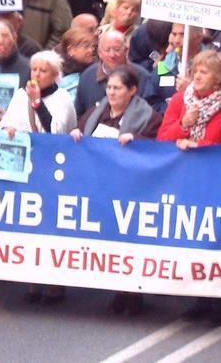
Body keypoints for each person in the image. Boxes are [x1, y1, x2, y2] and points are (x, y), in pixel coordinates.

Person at [156, 49, 221, 323]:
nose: (197, 76)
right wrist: (183, 125)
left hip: (213, 184)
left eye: (204, 72)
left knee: (213, 243)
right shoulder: (181, 100)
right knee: (191, 242)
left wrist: (198, 146)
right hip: (182, 181)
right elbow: (162, 138)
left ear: (218, 80)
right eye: (196, 71)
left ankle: (218, 304)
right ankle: (199, 299)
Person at [71, 64, 162, 316]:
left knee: (130, 241)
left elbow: (159, 147)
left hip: (131, 188)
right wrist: (77, 132)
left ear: (132, 90)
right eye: (109, 87)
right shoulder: (95, 112)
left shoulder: (148, 116)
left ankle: (134, 295)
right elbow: (80, 134)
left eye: (118, 88)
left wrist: (137, 142)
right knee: (110, 240)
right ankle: (118, 293)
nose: (111, 93)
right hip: (100, 187)